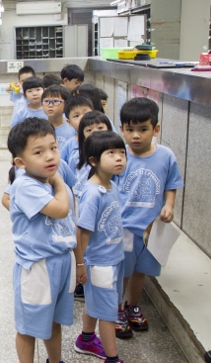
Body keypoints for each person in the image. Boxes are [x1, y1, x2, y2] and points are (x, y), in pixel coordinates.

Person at [6, 118, 77, 363]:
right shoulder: (25, 184)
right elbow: (61, 210)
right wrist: (58, 181)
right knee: (29, 327)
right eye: (39, 152)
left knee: (54, 322)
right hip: (38, 266)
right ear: (20, 162)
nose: (50, 156)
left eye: (53, 148)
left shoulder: (50, 179)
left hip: (62, 260)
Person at [114, 97, 184, 339]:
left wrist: (170, 206)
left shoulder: (166, 156)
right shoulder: (118, 155)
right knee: (122, 271)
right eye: (130, 129)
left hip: (151, 229)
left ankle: (132, 305)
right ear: (121, 128)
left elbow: (171, 185)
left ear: (156, 129)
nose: (136, 135)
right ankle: (115, 309)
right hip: (124, 228)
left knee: (140, 271)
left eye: (143, 129)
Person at [74, 131, 127, 363]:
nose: (119, 158)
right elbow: (82, 232)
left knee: (97, 302)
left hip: (113, 258)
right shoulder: (93, 193)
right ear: (94, 161)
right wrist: (80, 264)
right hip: (99, 263)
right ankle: (112, 358)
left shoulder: (111, 186)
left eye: (122, 153)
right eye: (111, 153)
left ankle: (86, 339)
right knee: (108, 313)